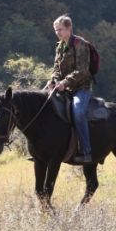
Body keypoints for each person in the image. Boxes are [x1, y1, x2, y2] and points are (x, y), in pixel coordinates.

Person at [48, 14, 93, 164]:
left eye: (60, 29)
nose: (58, 33)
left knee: (78, 112)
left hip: (82, 88)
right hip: (63, 88)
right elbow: (56, 68)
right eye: (55, 30)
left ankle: (86, 152)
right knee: (43, 105)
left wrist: (65, 83)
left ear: (69, 28)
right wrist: (54, 80)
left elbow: (83, 70)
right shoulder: (59, 46)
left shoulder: (80, 44)